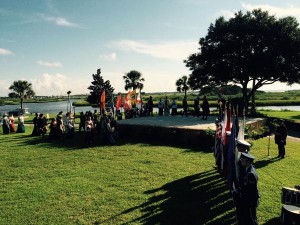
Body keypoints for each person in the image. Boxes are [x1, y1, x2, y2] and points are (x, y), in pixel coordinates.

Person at [233, 150, 260, 225]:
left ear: (247, 161)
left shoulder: (250, 174)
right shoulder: (247, 168)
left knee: (251, 219)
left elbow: (249, 190)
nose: (241, 161)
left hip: (250, 200)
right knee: (245, 218)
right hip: (246, 198)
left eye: (242, 159)